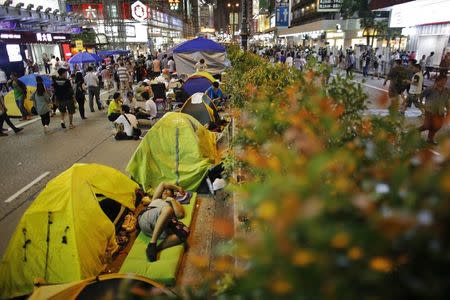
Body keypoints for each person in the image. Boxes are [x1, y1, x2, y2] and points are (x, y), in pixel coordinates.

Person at [138, 182, 186, 261]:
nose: (165, 191)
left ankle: (155, 249)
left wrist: (172, 200)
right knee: (167, 209)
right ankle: (152, 243)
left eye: (168, 190)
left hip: (158, 230)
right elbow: (163, 184)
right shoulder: (156, 199)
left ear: (173, 195)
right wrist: (178, 188)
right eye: (164, 190)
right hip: (147, 219)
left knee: (184, 233)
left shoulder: (174, 202)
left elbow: (180, 214)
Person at [418, 74, 449, 144]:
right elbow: (421, 96)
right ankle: (415, 132)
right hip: (430, 111)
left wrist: (448, 109)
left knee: (437, 126)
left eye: (445, 81)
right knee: (427, 125)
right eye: (441, 81)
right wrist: (422, 105)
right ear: (437, 81)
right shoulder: (430, 89)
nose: (443, 82)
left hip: (440, 111)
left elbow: (446, 100)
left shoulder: (446, 90)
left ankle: (430, 139)